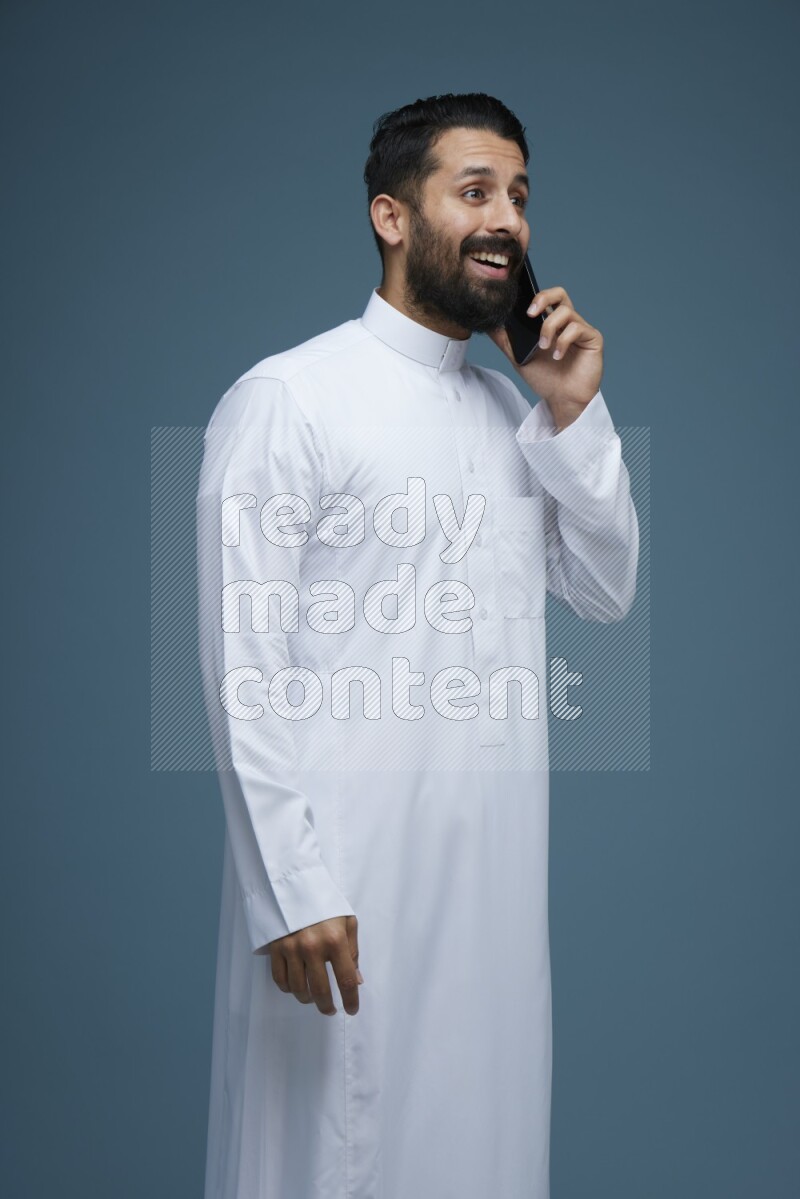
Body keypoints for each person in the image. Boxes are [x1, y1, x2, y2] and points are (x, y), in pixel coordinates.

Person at [196, 91, 639, 1199]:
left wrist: (573, 416)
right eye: (474, 190)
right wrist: (290, 887)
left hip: (490, 889)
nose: (506, 220)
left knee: (481, 1156)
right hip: (345, 883)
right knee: (334, 1155)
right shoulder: (288, 398)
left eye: (519, 196)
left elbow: (605, 587)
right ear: (392, 217)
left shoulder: (510, 415)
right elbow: (240, 664)